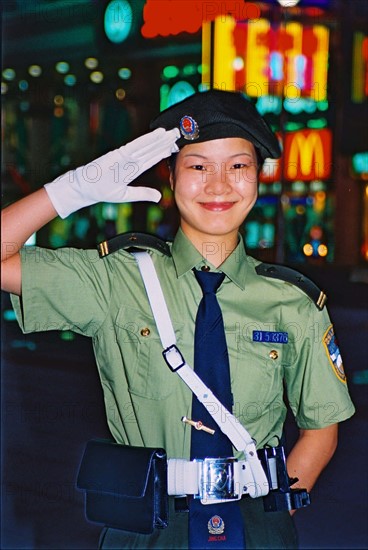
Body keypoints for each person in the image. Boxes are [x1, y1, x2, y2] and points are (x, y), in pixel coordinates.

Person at [1, 89, 355, 549]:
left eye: (238, 166)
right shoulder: (115, 280)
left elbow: (321, 428)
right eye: (198, 165)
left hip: (256, 527)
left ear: (258, 178)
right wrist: (70, 191)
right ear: (170, 176)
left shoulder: (293, 301)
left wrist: (269, 514)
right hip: (145, 528)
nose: (219, 184)